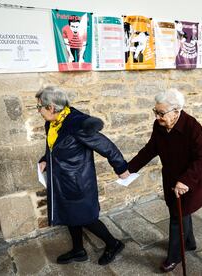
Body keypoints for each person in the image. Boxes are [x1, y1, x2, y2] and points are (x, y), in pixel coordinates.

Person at [36, 86, 129, 265]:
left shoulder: (77, 125)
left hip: (78, 182)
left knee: (87, 218)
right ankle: (78, 250)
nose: (38, 111)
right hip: (61, 180)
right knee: (70, 215)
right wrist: (45, 159)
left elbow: (107, 146)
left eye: (39, 107)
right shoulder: (52, 123)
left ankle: (113, 243)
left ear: (51, 108)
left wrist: (121, 168)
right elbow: (52, 146)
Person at [124, 88, 202, 272]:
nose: (157, 117)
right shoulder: (160, 126)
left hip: (189, 182)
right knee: (181, 213)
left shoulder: (192, 126)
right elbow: (150, 149)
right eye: (156, 112)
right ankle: (189, 243)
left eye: (161, 113)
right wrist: (129, 169)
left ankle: (174, 256)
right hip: (170, 179)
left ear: (176, 111)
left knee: (177, 217)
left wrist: (185, 180)